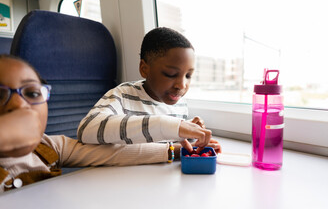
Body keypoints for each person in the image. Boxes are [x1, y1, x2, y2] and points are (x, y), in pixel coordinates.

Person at [0, 54, 191, 192]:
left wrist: (175, 150)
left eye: (32, 93)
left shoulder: (49, 147)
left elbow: (113, 153)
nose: (19, 105)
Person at [77, 27, 221, 153]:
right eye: (171, 74)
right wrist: (172, 126)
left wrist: (192, 138)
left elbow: (167, 144)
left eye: (188, 75)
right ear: (144, 69)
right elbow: (86, 130)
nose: (182, 85)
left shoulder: (180, 104)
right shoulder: (122, 96)